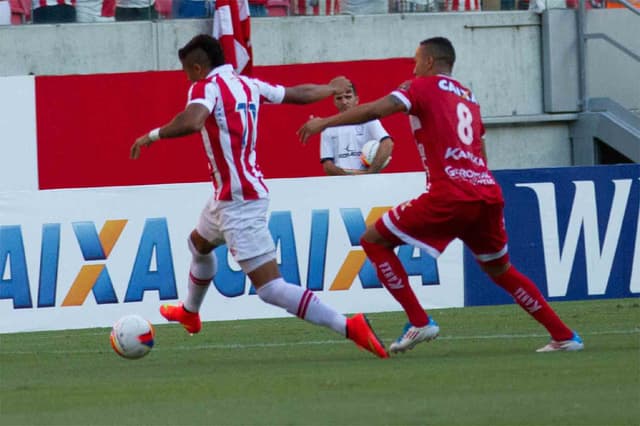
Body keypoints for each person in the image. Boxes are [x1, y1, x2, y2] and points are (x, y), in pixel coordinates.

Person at [298, 37, 584, 354]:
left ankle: (419, 321)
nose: (414, 67)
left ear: (430, 62)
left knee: (372, 240)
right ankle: (564, 335)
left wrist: (324, 122)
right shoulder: (468, 96)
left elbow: (373, 111)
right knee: (501, 271)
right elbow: (480, 148)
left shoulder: (422, 88)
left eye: (416, 61)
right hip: (485, 193)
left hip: (449, 193)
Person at [130, 34, 388, 359]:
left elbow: (194, 120)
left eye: (187, 71)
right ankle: (190, 312)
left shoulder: (204, 87)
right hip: (227, 196)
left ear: (197, 67)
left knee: (271, 289)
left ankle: (349, 326)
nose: (187, 78)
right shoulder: (247, 85)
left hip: (240, 202)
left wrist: (152, 135)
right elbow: (296, 94)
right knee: (198, 244)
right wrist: (330, 89)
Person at [320, 82, 393, 176]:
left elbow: (387, 144)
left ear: (356, 99)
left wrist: (371, 172)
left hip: (368, 182)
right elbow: (327, 166)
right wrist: (353, 175)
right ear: (334, 102)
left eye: (348, 97)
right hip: (341, 183)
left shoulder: (369, 120)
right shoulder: (328, 127)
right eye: (339, 98)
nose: (344, 101)